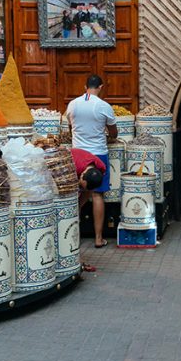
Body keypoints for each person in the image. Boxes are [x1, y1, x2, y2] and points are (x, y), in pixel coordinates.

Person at [65, 75, 117, 248]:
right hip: (98, 155)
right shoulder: (104, 106)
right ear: (101, 87)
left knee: (77, 195)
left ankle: (72, 236)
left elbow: (70, 127)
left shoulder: (73, 104)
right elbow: (113, 132)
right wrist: (109, 137)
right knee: (97, 194)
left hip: (77, 154)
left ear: (85, 85)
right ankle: (98, 238)